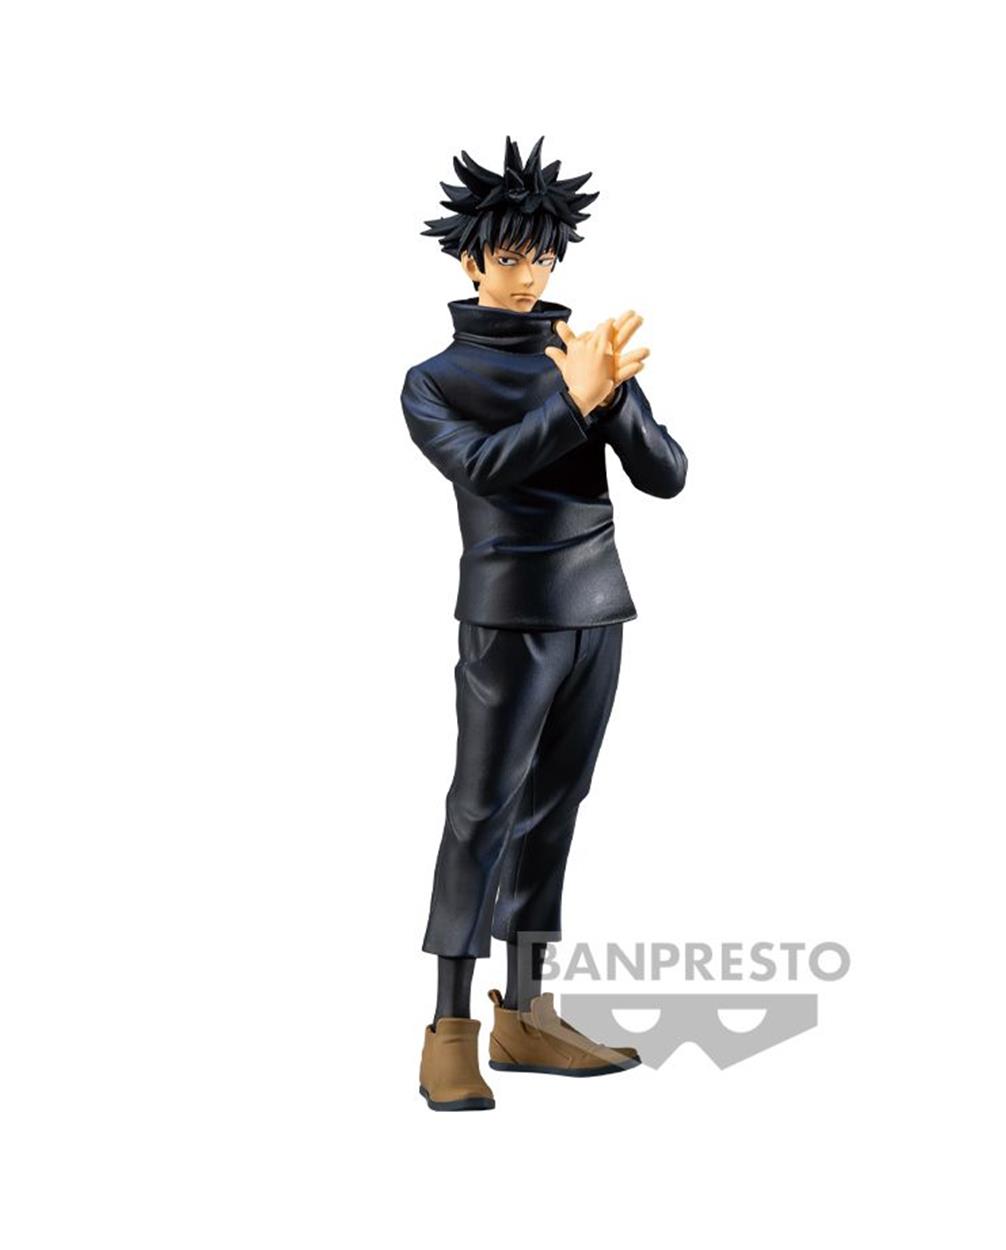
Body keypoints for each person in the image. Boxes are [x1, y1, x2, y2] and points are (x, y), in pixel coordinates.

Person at [401, 136, 687, 1111]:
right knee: (480, 812)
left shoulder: (584, 356)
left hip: (596, 609)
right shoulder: (436, 379)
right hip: (505, 620)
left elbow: (666, 475)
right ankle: (448, 1030)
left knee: (555, 808)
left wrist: (612, 398)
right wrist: (573, 400)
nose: (530, 274)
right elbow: (484, 469)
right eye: (511, 256)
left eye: (545, 256)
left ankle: (526, 1014)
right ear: (470, 262)